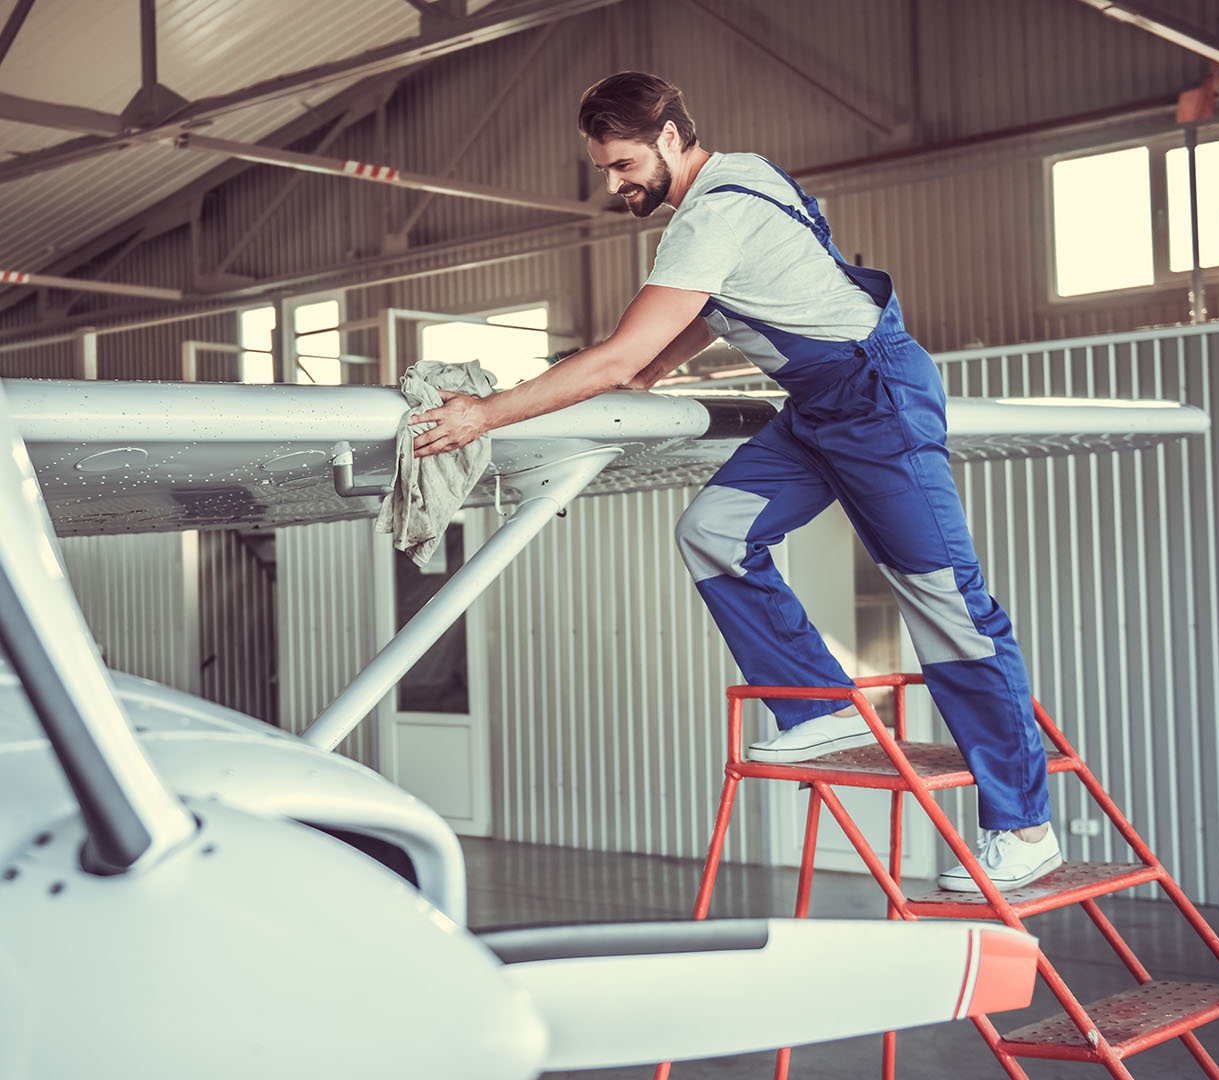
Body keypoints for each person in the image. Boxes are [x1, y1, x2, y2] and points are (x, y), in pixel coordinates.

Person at [410, 71, 1058, 893]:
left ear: (671, 138)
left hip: (875, 400)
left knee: (947, 601)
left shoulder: (708, 216)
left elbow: (614, 353)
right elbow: (723, 304)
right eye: (607, 169)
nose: (615, 183)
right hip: (819, 406)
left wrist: (484, 415)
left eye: (621, 165)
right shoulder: (746, 171)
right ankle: (817, 708)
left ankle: (1023, 824)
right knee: (713, 532)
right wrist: (654, 366)